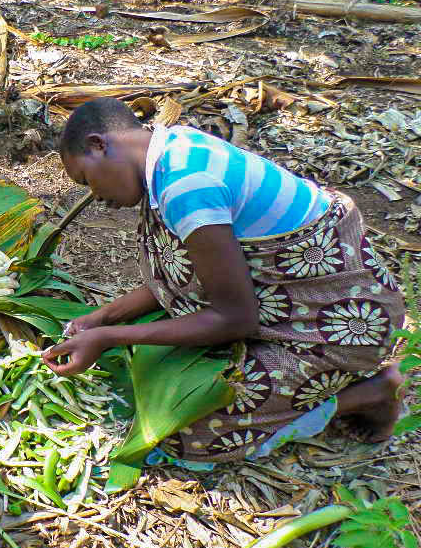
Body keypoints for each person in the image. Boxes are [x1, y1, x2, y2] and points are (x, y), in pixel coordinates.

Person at [42, 97, 405, 466]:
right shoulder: (172, 147)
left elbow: (236, 320)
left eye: (87, 179)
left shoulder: (186, 187)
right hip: (283, 299)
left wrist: (108, 337)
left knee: (189, 435)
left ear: (98, 144)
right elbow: (184, 276)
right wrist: (101, 318)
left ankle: (369, 394)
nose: (97, 197)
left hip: (339, 325)